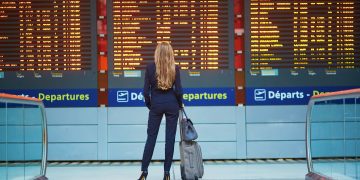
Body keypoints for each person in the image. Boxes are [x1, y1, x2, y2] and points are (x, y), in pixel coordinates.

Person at [138, 42, 183, 180]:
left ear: (157, 52)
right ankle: (167, 173)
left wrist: (150, 105)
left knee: (151, 138)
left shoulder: (150, 68)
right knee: (170, 139)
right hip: (172, 105)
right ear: (170, 53)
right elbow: (179, 91)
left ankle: (144, 172)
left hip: (156, 105)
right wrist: (180, 104)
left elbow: (145, 92)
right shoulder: (175, 68)